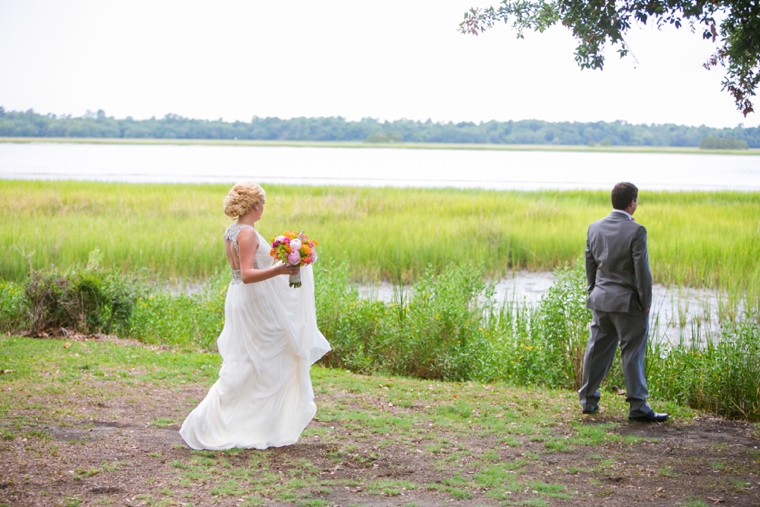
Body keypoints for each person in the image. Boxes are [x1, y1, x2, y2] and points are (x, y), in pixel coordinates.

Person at [180, 182, 331, 450]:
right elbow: (249, 275)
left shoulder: (232, 231)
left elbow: (248, 271)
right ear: (254, 205)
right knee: (263, 362)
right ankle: (231, 424)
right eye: (262, 203)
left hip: (241, 297)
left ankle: (257, 424)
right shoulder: (247, 233)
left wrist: (288, 264)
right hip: (251, 301)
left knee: (252, 363)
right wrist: (282, 270)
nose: (263, 208)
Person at [578, 182, 669, 423]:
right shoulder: (636, 231)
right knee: (632, 352)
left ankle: (587, 400)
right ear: (632, 203)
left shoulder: (594, 227)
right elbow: (642, 270)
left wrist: (593, 291)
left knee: (596, 349)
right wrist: (645, 301)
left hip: (600, 299)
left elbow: (590, 265)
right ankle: (638, 406)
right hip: (628, 303)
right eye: (636, 201)